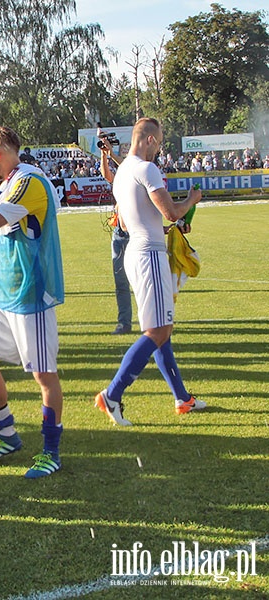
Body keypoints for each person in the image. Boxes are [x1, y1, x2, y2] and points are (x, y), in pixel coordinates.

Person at [95, 117, 204, 425]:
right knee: (157, 331)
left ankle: (182, 398)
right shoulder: (147, 168)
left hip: (136, 252)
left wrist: (164, 227)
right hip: (149, 257)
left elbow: (133, 221)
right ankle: (112, 394)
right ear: (151, 141)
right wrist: (191, 201)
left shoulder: (123, 171)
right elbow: (169, 210)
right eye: (159, 143)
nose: (158, 151)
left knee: (160, 331)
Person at [0, 126, 66, 479]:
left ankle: (51, 451)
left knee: (44, 376)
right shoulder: (5, 183)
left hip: (31, 295)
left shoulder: (30, 181)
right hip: (1, 293)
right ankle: (8, 435)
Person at [100, 145, 132, 335]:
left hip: (136, 234)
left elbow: (127, 165)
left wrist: (111, 154)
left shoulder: (137, 173)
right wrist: (104, 156)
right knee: (121, 282)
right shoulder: (121, 179)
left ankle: (154, 323)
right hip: (119, 233)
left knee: (142, 281)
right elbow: (107, 175)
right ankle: (124, 323)